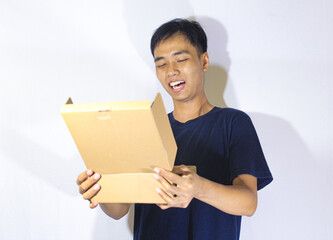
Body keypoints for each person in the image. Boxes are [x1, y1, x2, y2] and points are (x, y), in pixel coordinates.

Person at [76, 18, 273, 240]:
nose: (171, 71)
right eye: (161, 64)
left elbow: (248, 203)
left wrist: (198, 188)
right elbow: (119, 211)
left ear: (204, 61)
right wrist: (100, 188)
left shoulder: (233, 123)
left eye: (180, 59)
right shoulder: (146, 129)